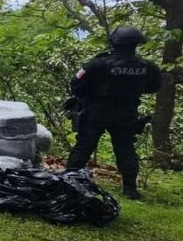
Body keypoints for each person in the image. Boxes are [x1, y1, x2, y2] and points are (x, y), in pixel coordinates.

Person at [66, 26, 161, 200]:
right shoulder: (147, 67)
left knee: (84, 146)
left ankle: (69, 181)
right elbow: (154, 86)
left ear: (114, 42)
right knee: (125, 149)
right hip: (126, 113)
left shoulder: (98, 63)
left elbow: (76, 83)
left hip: (96, 111)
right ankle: (130, 188)